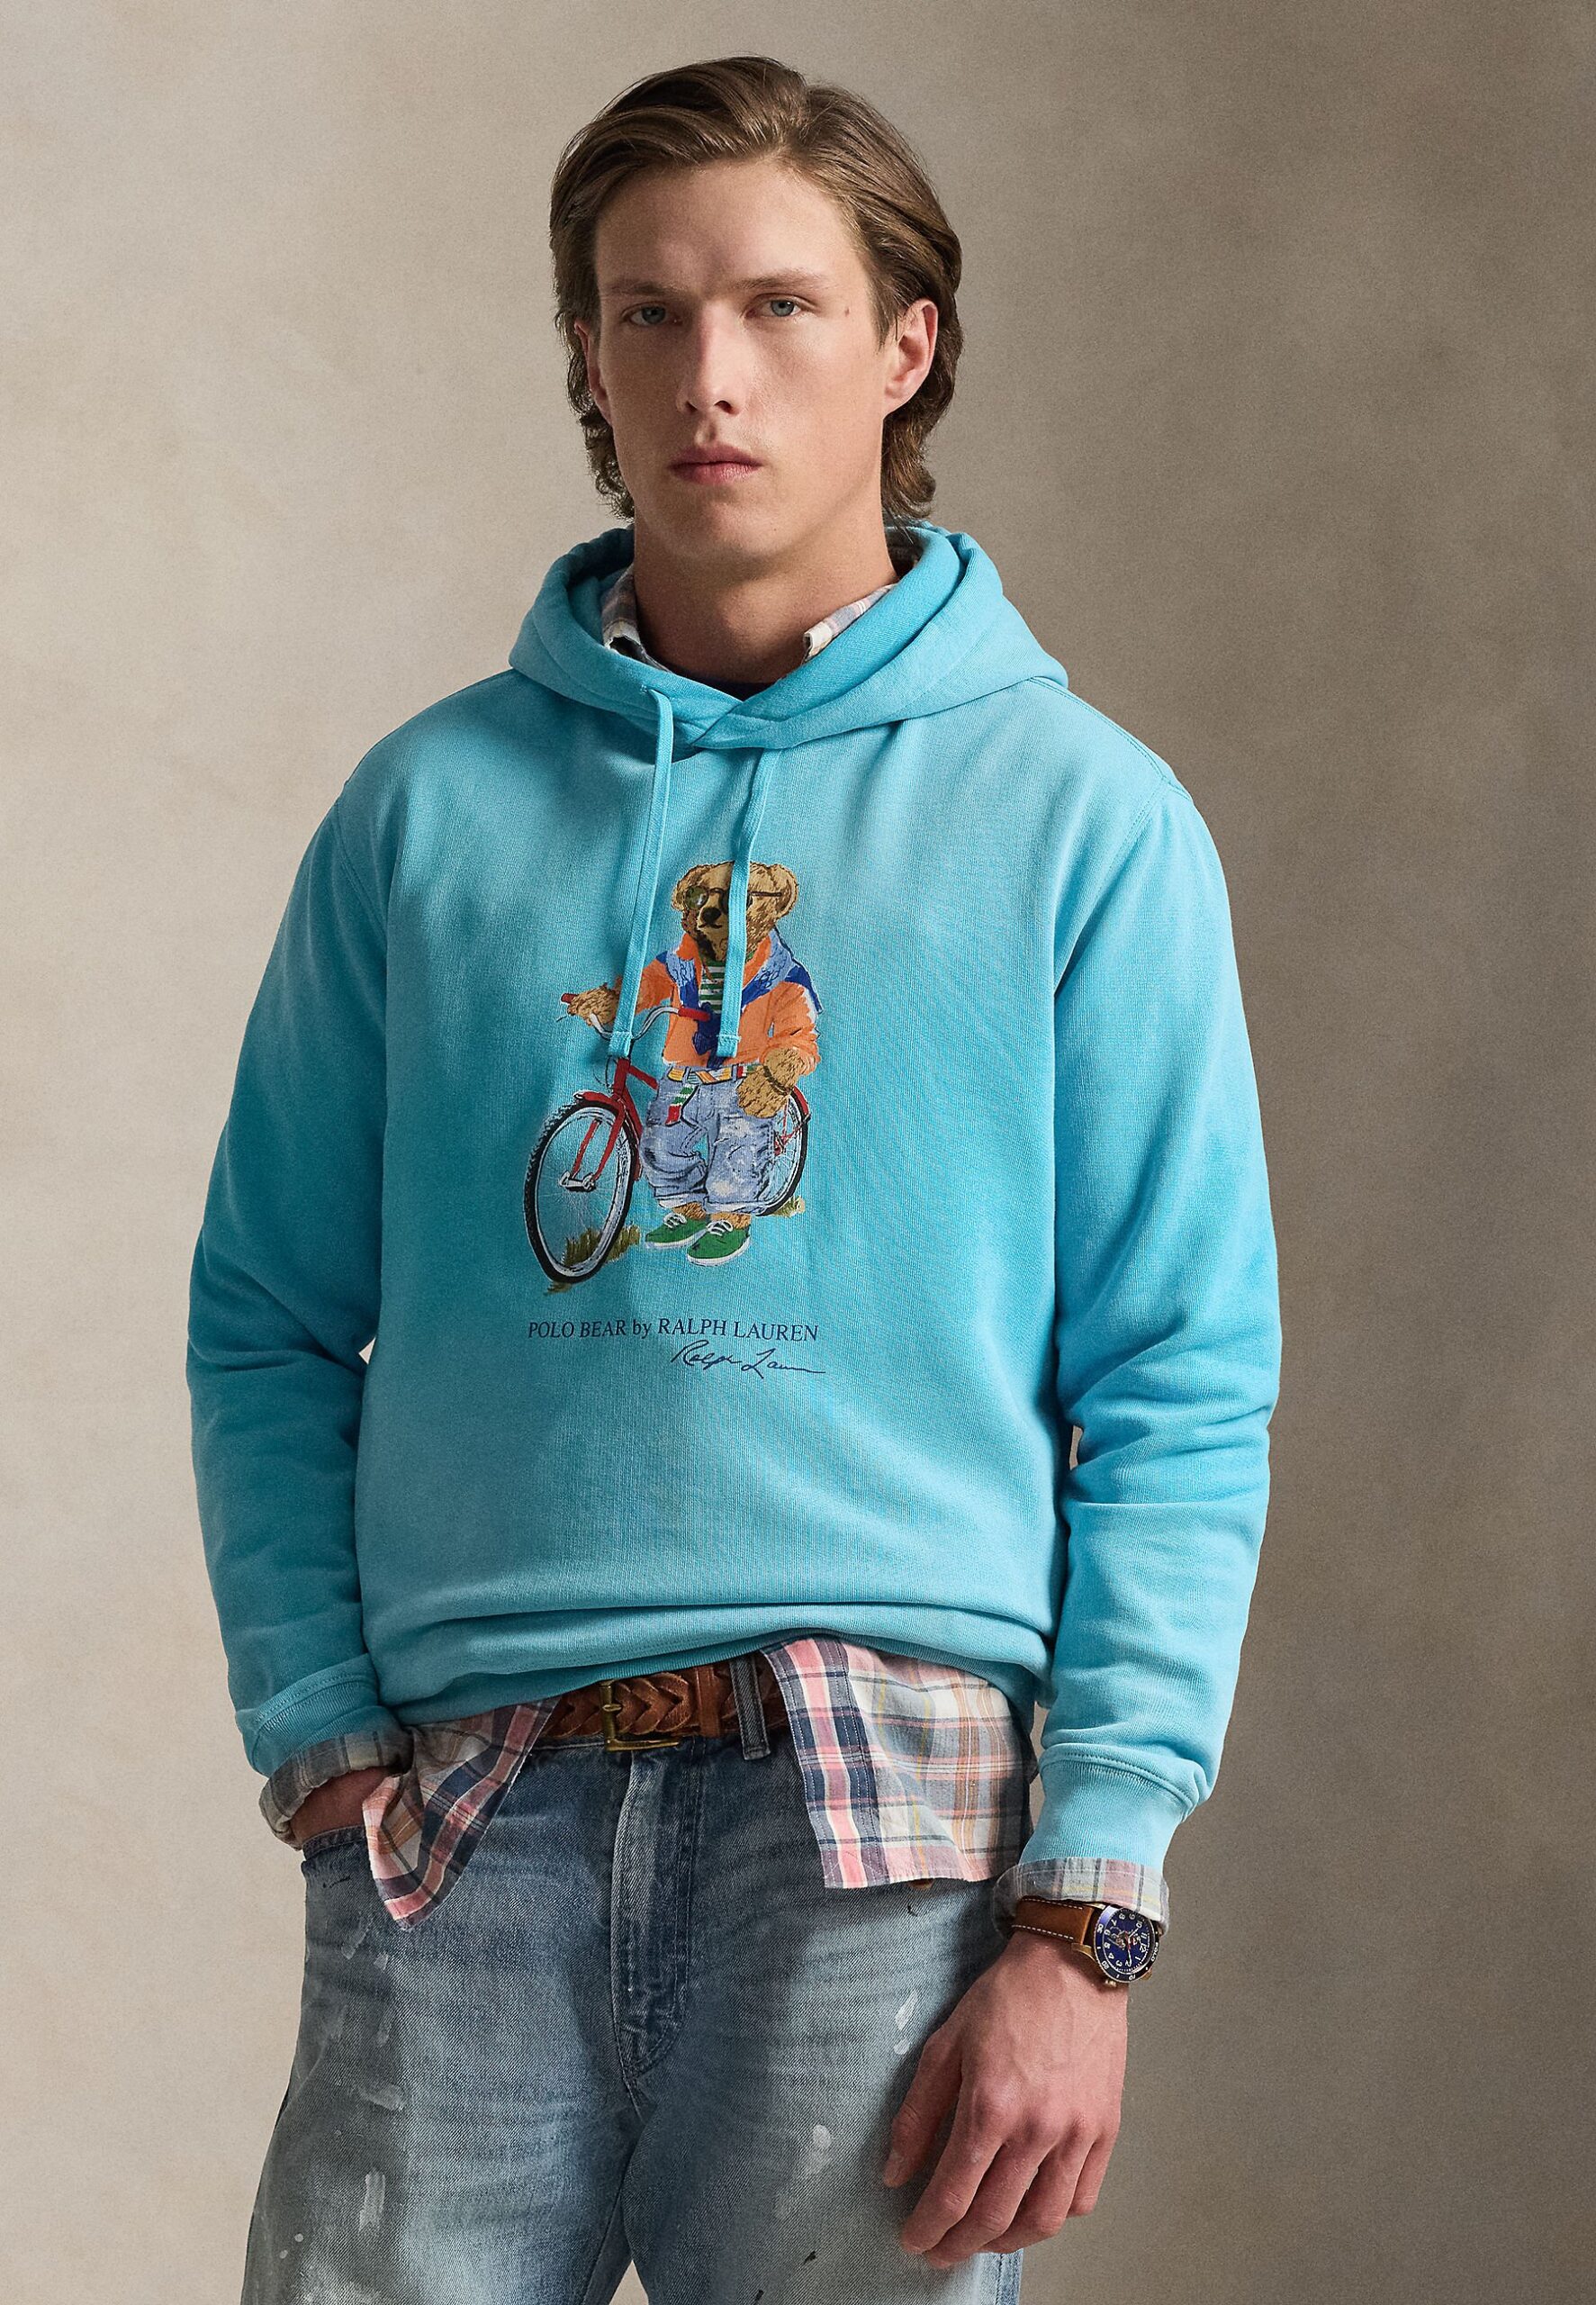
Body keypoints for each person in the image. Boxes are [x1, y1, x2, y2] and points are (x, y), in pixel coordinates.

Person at [186, 53, 1281, 2305]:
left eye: (779, 305)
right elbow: (267, 1311)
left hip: (883, 1824)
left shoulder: (1082, 821)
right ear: (586, 358)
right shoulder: (421, 817)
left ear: (903, 346)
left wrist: (1087, 1906)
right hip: (460, 1810)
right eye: (647, 311)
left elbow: (1177, 1381)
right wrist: (317, 1738)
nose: (709, 374)